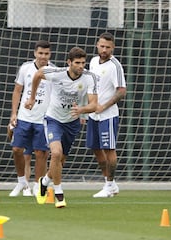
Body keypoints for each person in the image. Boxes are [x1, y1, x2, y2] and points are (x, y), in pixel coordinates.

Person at [25, 47, 98, 208]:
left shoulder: (89, 78)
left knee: (59, 162)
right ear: (69, 62)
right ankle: (59, 194)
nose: (80, 66)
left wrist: (82, 110)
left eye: (83, 63)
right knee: (55, 153)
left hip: (72, 123)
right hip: (53, 119)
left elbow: (94, 105)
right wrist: (32, 98)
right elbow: (38, 75)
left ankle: (44, 182)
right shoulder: (56, 73)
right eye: (77, 63)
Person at [8, 40, 53, 197]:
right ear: (35, 53)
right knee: (17, 149)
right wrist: (14, 113)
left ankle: (38, 185)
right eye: (40, 53)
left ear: (50, 55)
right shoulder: (25, 68)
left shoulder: (54, 71)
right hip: (24, 117)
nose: (43, 57)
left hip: (43, 119)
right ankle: (22, 182)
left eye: (46, 54)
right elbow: (17, 90)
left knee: (41, 153)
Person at [86, 32, 126, 198]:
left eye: (107, 47)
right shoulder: (93, 61)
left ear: (113, 48)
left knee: (109, 148)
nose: (104, 49)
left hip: (108, 115)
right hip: (93, 115)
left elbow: (122, 91)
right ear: (97, 45)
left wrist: (104, 106)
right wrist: (87, 108)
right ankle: (110, 183)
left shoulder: (115, 66)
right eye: (102, 46)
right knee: (95, 148)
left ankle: (109, 184)